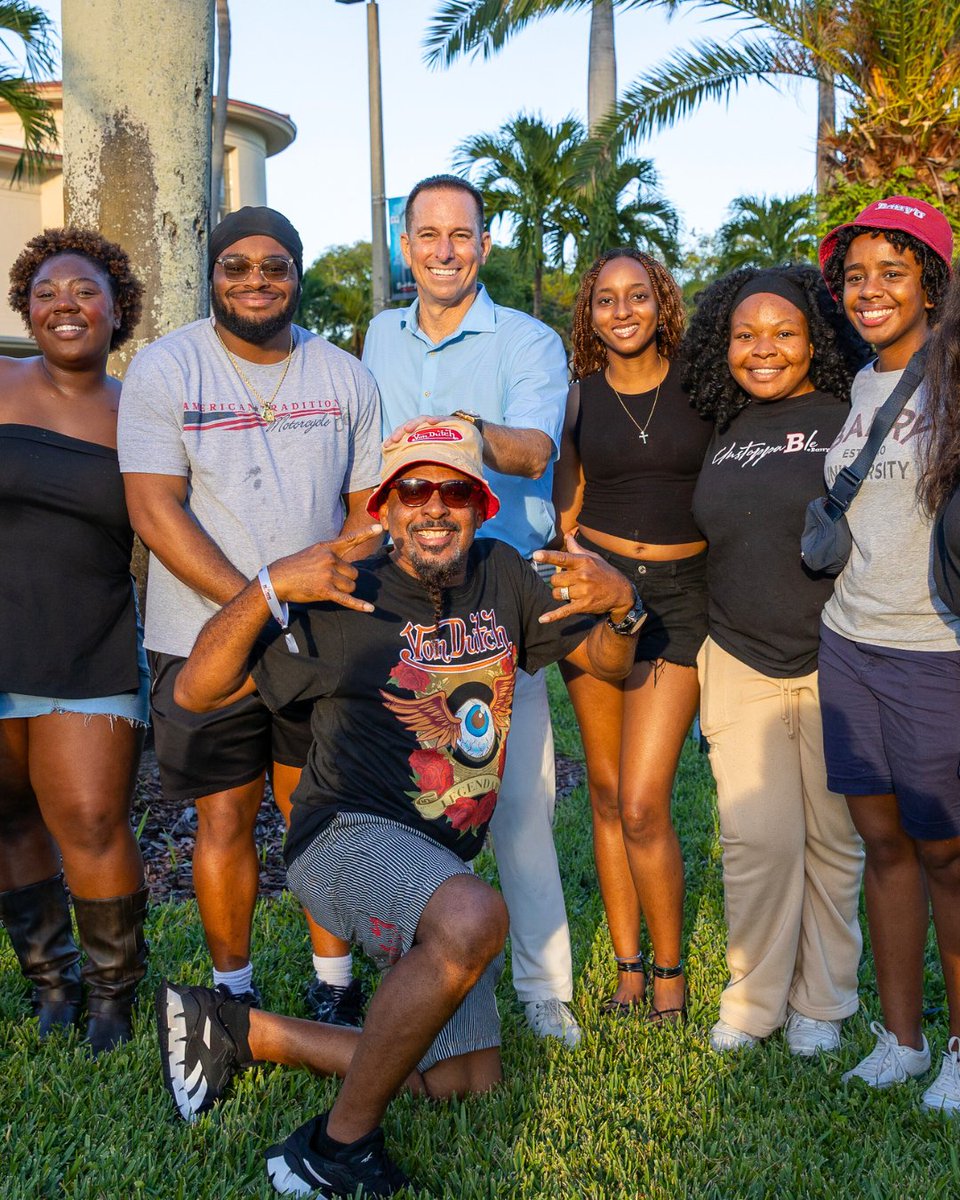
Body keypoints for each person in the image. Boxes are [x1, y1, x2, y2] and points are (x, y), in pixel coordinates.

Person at [155, 419, 644, 1197]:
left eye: (454, 490)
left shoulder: (504, 574)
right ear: (384, 508)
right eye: (413, 490)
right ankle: (334, 1148)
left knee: (465, 1081)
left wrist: (624, 607)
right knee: (475, 920)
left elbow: (608, 664)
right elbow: (195, 692)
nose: (434, 507)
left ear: (482, 506)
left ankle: (240, 1031)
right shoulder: (347, 590)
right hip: (343, 838)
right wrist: (271, 586)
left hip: (437, 858)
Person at [118, 206, 383, 1022]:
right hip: (202, 638)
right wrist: (260, 598)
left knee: (319, 817)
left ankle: (333, 987)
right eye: (236, 266)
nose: (256, 281)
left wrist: (315, 589)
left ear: (297, 275)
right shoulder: (166, 370)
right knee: (223, 819)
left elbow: (370, 512)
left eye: (274, 266)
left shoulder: (344, 375)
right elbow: (155, 511)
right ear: (213, 275)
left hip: (320, 638)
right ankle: (232, 994)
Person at [362, 174, 580, 1045]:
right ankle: (404, 964)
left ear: (484, 246)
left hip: (496, 592)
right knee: (399, 795)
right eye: (428, 235)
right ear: (405, 246)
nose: (445, 249)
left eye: (462, 235)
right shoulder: (379, 332)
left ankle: (544, 988)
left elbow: (535, 447)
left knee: (520, 798)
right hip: (396, 593)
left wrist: (454, 432)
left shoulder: (527, 340)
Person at [684, 264, 867, 1054]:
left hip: (840, 655)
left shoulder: (854, 416)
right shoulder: (714, 425)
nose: (764, 349)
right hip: (736, 655)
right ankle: (754, 1002)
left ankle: (823, 1005)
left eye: (784, 333)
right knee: (757, 839)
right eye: (746, 335)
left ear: (815, 338)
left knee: (835, 838)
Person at [817, 196, 960, 1110]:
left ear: (932, 285)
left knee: (947, 855)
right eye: (856, 275)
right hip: (850, 643)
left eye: (891, 272)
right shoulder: (862, 380)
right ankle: (903, 1038)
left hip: (935, 651)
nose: (869, 290)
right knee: (883, 847)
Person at [552, 248, 710, 1021]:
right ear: (590, 314)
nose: (622, 311)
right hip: (598, 597)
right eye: (606, 299)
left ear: (661, 303)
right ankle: (626, 969)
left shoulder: (701, 385)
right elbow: (566, 504)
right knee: (607, 793)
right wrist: (579, 565)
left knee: (645, 802)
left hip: (680, 601)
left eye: (637, 296)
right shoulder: (577, 398)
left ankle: (673, 976)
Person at [0, 228, 148, 1053]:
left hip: (86, 640)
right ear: (27, 305)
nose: (65, 303)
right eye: (48, 290)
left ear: (116, 308)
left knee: (91, 818)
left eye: (85, 290)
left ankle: (110, 999)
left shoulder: (140, 412)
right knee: (9, 816)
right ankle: (49, 984)